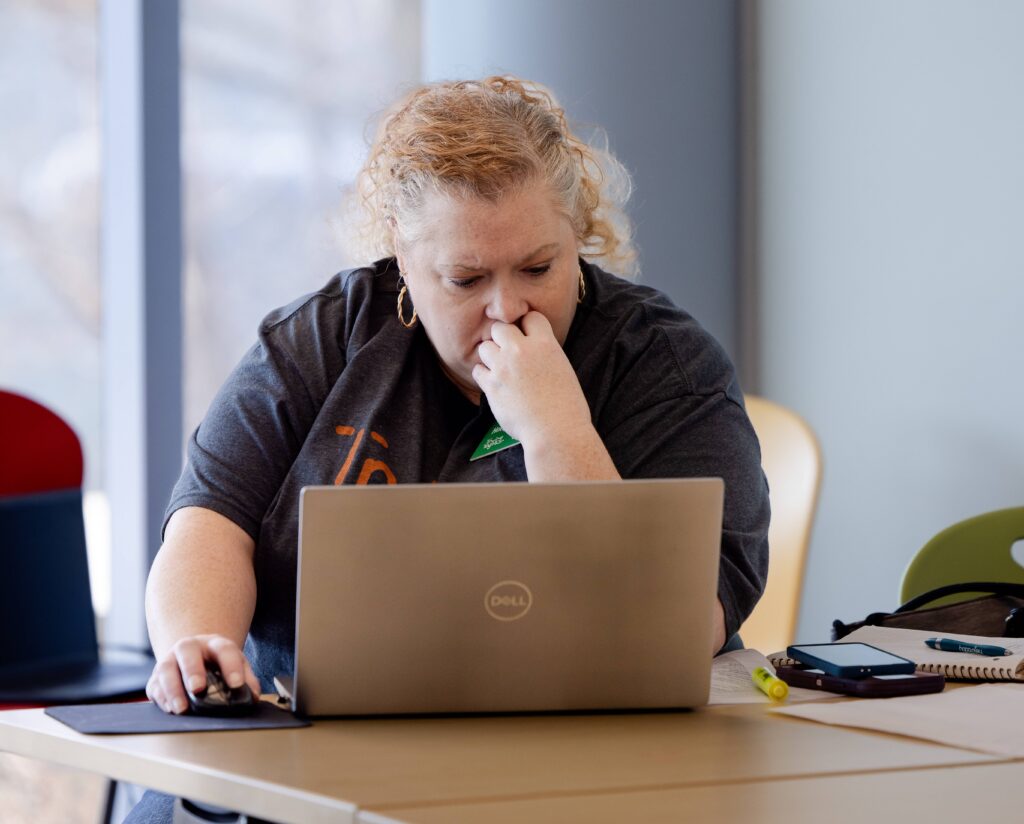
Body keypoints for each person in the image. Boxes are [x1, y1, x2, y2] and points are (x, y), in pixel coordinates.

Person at [144, 75, 769, 720]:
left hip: (575, 747)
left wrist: (558, 437)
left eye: (539, 268)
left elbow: (683, 626)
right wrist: (199, 643)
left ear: (577, 230)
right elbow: (209, 524)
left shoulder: (667, 367)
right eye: (466, 279)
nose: (507, 309)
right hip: (300, 733)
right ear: (403, 258)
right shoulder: (321, 339)